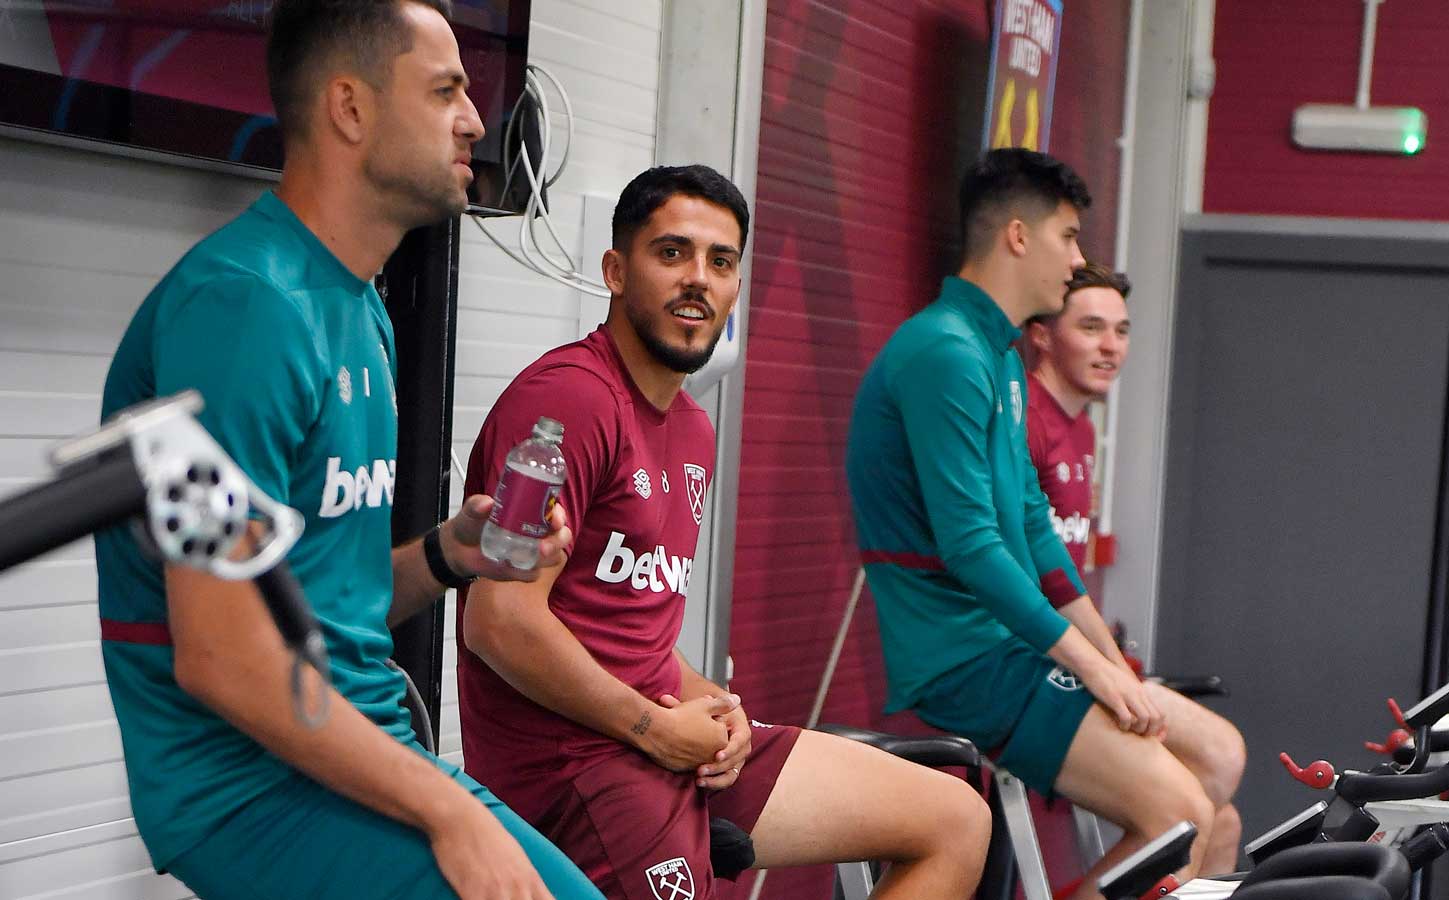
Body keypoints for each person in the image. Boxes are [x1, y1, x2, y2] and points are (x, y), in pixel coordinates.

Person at [94, 2, 601, 897]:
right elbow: (225, 657)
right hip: (244, 790)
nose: (478, 120)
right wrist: (449, 814)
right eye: (445, 90)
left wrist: (451, 553)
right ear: (351, 109)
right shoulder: (244, 308)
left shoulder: (359, 307)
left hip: (356, 750)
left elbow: (331, 601)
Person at [457, 163, 992, 900]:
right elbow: (499, 621)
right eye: (671, 253)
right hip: (574, 765)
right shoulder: (567, 402)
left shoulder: (692, 427)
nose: (698, 280)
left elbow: (628, 629)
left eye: (721, 261)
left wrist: (727, 711)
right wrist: (650, 727)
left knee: (956, 820)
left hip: (660, 739)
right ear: (616, 270)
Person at [845, 148, 1226, 899]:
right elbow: (971, 547)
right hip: (964, 657)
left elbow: (1030, 526)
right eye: (1068, 236)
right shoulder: (944, 352)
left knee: (1215, 762)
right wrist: (1091, 668)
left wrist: (1110, 664)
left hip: (1008, 644)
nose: (1077, 258)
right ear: (1018, 236)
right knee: (1180, 815)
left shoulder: (1000, 359)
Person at [1022, 262, 1246, 876]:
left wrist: (1114, 665)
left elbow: (1064, 574)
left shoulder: (1083, 431)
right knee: (1215, 769)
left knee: (1220, 824)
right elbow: (1014, 573)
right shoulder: (1022, 418)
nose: (1110, 346)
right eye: (1091, 327)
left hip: (1076, 655)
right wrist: (1101, 668)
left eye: (1121, 330)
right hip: (1028, 665)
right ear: (1042, 334)